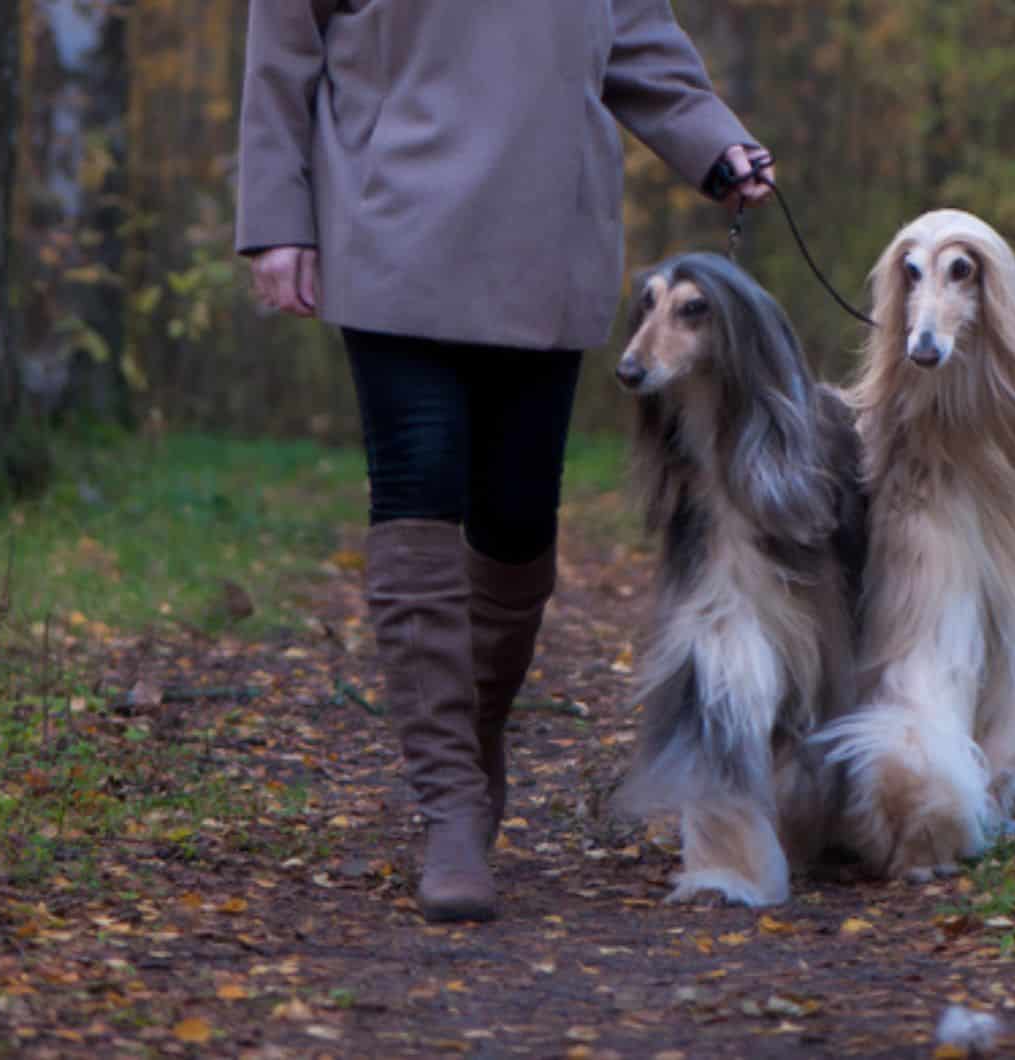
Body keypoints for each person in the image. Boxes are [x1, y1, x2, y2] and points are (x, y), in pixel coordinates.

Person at [236, 1, 774, 923]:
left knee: (519, 519)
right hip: (390, 221)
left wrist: (713, 144)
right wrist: (278, 217)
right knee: (418, 489)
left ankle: (477, 732)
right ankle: (449, 805)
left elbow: (635, 33)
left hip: (546, 240)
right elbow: (283, 55)